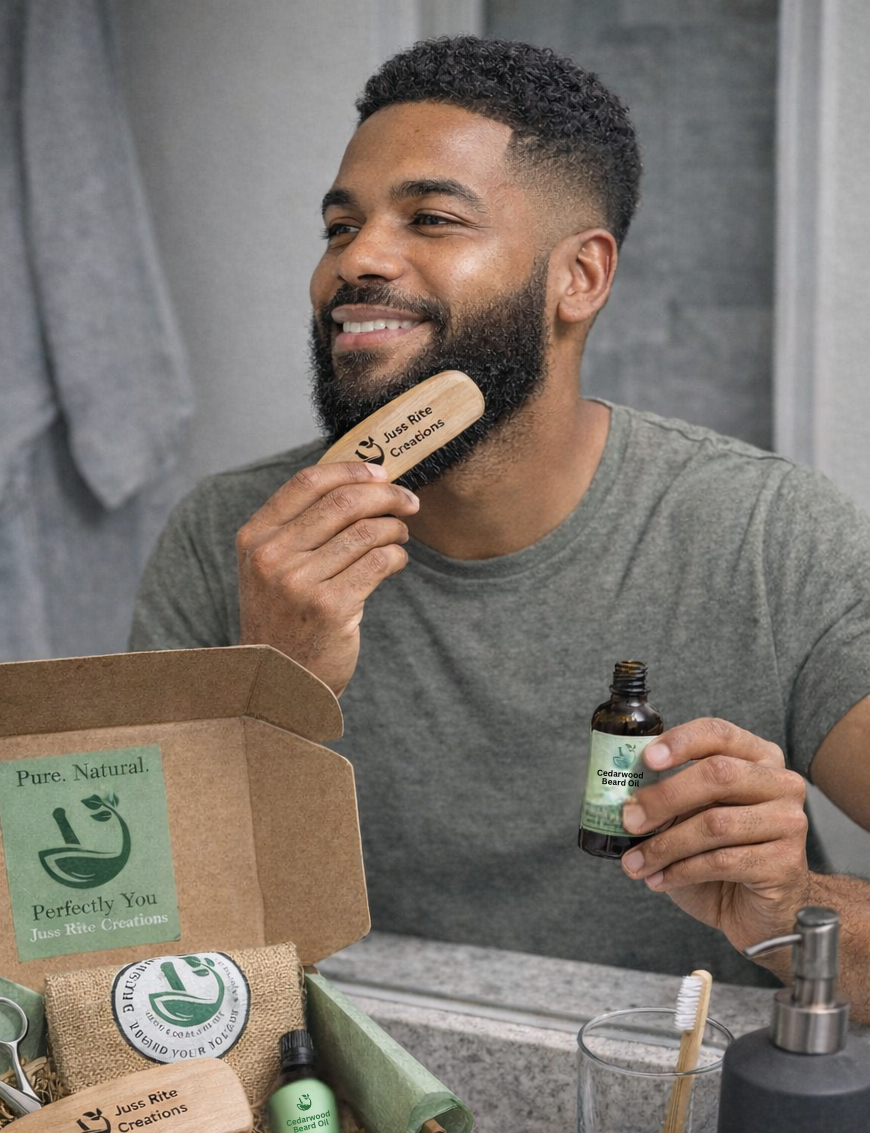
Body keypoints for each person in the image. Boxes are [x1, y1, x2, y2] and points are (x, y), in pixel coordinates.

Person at [130, 36, 869, 1012]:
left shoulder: (774, 540)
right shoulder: (227, 540)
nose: (356, 260)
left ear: (580, 277)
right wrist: (273, 694)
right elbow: (137, 939)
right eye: (338, 227)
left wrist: (791, 907)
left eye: (429, 218)